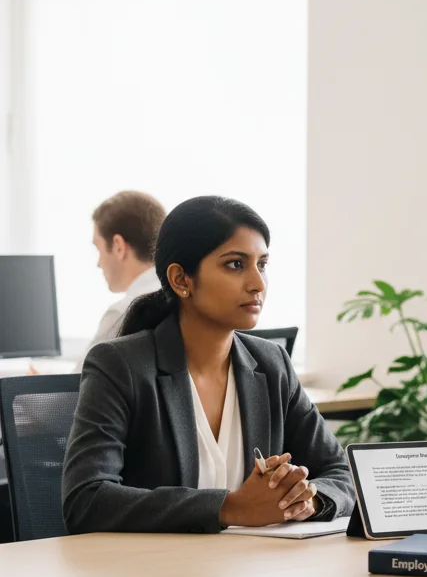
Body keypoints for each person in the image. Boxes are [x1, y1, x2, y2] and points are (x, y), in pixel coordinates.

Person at [62, 196, 354, 534]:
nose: (257, 283)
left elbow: (340, 471)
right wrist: (230, 507)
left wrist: (308, 499)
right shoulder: (120, 365)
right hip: (151, 575)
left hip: (255, 572)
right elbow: (86, 499)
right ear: (181, 280)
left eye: (262, 264)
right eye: (235, 264)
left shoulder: (272, 364)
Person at [82, 191, 167, 359]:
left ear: (118, 246)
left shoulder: (123, 313)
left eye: (98, 249)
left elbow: (77, 382)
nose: (98, 263)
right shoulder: (182, 301)